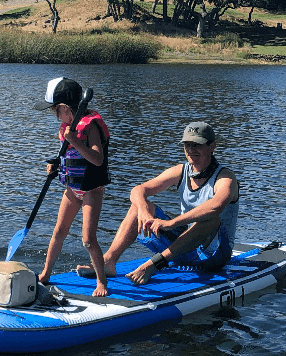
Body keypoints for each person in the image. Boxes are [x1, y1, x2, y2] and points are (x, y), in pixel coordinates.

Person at [100, 121, 239, 286]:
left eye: (197, 144)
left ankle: (153, 265)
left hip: (214, 256)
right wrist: (144, 211)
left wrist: (171, 223)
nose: (191, 149)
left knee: (212, 219)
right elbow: (138, 190)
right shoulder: (181, 171)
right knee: (138, 204)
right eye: (187, 144)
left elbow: (215, 206)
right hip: (185, 248)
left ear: (212, 146)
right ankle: (108, 261)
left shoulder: (226, 178)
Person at [34, 77, 111, 297]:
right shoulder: (68, 127)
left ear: (65, 108)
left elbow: (97, 159)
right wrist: (54, 165)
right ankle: (46, 273)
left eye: (55, 110)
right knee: (59, 231)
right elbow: (68, 156)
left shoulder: (90, 126)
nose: (54, 115)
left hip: (91, 189)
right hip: (72, 188)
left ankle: (101, 282)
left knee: (88, 239)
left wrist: (75, 140)